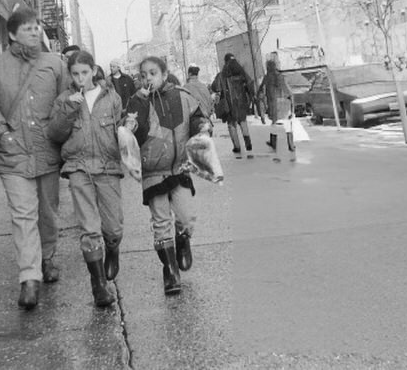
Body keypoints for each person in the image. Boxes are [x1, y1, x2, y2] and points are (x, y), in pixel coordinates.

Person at [0, 8, 72, 309]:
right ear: (13, 33)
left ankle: (48, 256)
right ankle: (29, 278)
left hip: (47, 151)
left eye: (36, 27)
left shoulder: (55, 63)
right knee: (22, 214)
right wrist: (1, 132)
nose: (34, 31)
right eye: (28, 28)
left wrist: (60, 126)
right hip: (11, 153)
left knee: (48, 213)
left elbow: (67, 99)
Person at [125, 55, 208, 297]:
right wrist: (130, 122)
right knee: (161, 222)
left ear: (164, 74)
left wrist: (202, 126)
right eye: (143, 75)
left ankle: (183, 240)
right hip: (153, 170)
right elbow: (132, 132)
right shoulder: (137, 102)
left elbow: (196, 118)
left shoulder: (181, 96)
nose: (148, 78)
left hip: (179, 167)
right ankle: (170, 271)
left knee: (187, 216)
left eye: (152, 73)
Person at [47, 51, 124, 308]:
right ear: (70, 75)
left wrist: (130, 129)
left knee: (113, 228)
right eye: (75, 73)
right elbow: (56, 134)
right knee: (89, 229)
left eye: (85, 72)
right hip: (79, 167)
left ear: (94, 71)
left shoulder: (111, 97)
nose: (81, 78)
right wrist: (70, 106)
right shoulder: (63, 99)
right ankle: (99, 286)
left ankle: (112, 247)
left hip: (108, 166)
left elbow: (120, 129)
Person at [210, 53, 256, 157]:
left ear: (225, 61)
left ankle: (237, 147)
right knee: (243, 122)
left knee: (232, 125)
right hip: (241, 103)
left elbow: (215, 87)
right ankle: (248, 144)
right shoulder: (241, 72)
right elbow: (250, 83)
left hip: (229, 105)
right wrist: (250, 96)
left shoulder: (222, 75)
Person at [259, 54, 296, 160]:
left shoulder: (267, 77)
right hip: (284, 104)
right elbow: (289, 92)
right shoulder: (281, 77)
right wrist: (292, 108)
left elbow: (260, 90)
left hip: (273, 105)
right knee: (288, 125)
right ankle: (291, 145)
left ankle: (273, 143)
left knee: (274, 124)